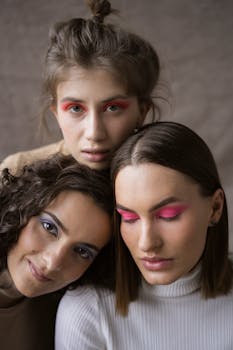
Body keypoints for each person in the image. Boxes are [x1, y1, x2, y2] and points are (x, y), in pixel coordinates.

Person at [55, 122, 233, 349]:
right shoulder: (87, 311)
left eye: (168, 215)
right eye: (129, 218)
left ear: (215, 208)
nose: (146, 242)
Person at [0, 0, 161, 174]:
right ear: (57, 113)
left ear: (142, 112)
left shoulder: (170, 177)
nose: (94, 134)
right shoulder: (17, 173)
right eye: (76, 108)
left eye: (113, 108)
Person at [0, 153, 113, 350]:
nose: (52, 263)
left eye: (81, 251)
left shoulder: (72, 320)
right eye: (49, 228)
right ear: (22, 208)